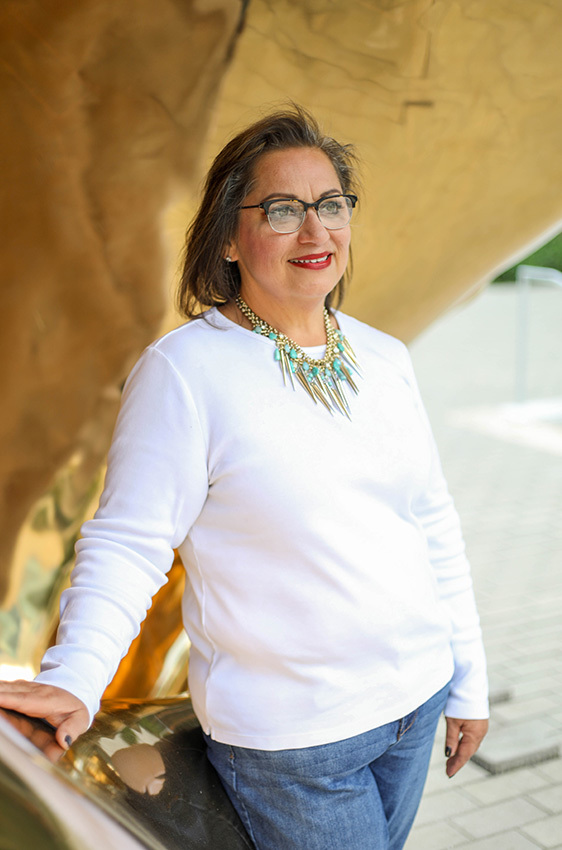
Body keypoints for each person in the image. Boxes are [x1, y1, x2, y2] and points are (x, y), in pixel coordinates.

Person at [0, 106, 488, 850]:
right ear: (230, 235)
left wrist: (467, 680)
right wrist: (74, 677)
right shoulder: (184, 373)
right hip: (295, 744)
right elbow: (130, 543)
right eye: (284, 210)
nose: (316, 231)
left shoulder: (385, 356)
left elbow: (431, 522)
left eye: (331, 205)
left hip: (414, 708)